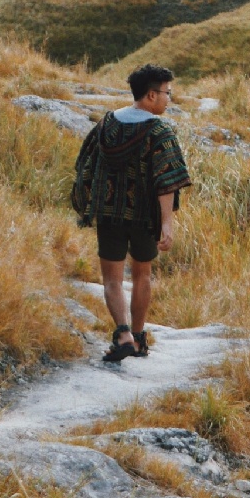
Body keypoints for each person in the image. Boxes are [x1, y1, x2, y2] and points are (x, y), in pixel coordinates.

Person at [71, 64, 192, 362]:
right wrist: (167, 224)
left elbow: (86, 164)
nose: (168, 98)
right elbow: (167, 182)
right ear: (151, 95)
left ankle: (122, 334)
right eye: (167, 93)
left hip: (109, 214)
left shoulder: (108, 123)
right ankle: (138, 338)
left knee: (112, 280)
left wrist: (88, 202)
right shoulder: (159, 130)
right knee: (142, 275)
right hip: (143, 218)